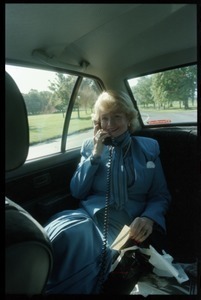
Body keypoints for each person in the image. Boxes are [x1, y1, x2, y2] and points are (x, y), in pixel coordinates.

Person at [44, 90, 171, 294]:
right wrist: (95, 155)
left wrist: (148, 218)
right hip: (88, 215)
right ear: (98, 122)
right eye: (104, 118)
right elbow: (77, 191)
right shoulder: (90, 147)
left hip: (127, 225)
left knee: (91, 254)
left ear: (129, 119)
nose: (110, 124)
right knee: (62, 236)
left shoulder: (149, 148)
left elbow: (160, 195)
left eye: (117, 116)